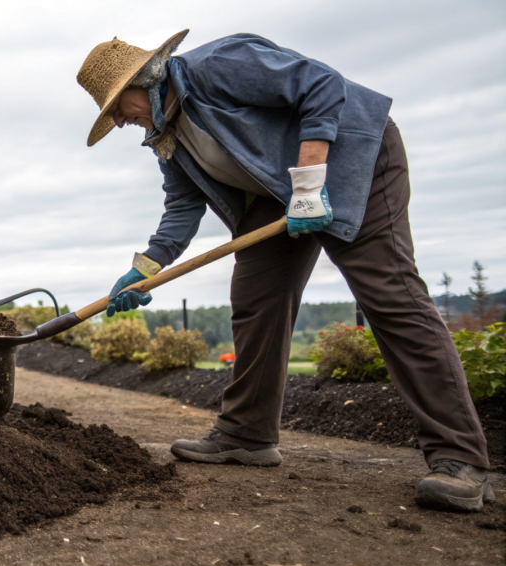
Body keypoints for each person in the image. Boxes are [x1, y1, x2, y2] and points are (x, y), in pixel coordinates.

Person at [76, 30, 494, 512]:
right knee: (256, 297)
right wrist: (145, 268)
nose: (121, 120)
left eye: (117, 107)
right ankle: (246, 433)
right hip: (277, 192)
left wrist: (310, 183)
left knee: (389, 295)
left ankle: (460, 458)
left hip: (354, 159)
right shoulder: (166, 135)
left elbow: (321, 85)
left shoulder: (218, 64)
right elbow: (183, 205)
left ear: (143, 79)